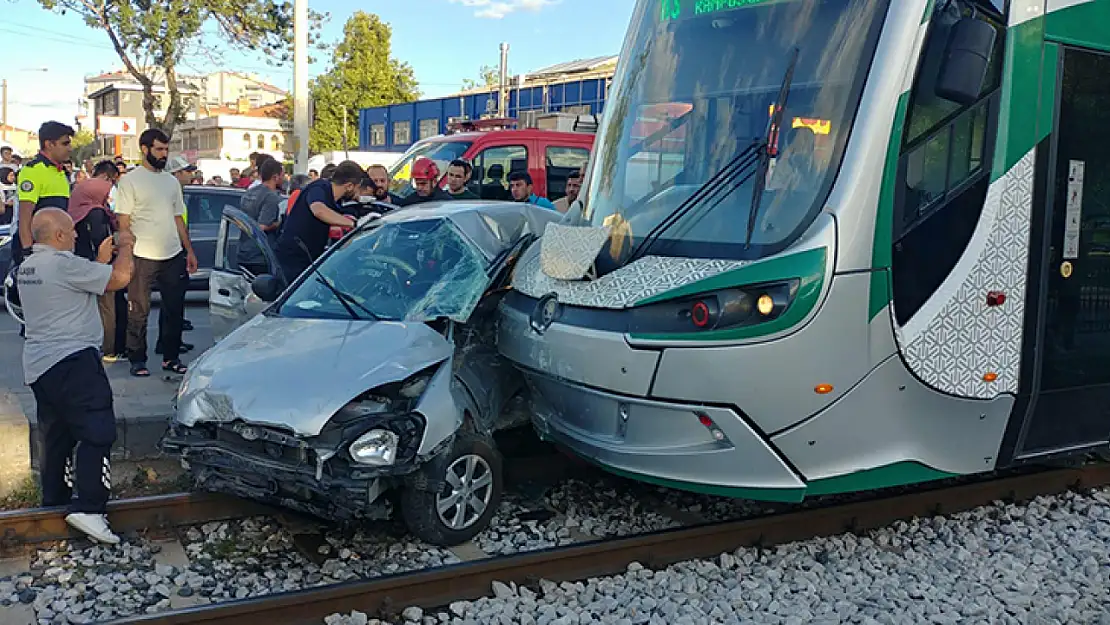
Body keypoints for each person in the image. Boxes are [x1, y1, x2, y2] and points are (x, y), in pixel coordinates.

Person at [19, 208, 135, 544]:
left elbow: (84, 281)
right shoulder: (64, 264)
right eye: (70, 231)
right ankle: (90, 507)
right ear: (57, 236)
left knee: (57, 436)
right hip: (74, 360)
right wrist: (125, 246)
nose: (74, 236)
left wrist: (99, 259)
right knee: (97, 430)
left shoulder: (28, 268)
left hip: (40, 365)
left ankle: (55, 500)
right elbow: (118, 279)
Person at [115, 129, 198, 378]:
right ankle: (137, 358)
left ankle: (171, 356)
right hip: (142, 254)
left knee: (174, 308)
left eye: (166, 149)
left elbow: (178, 218)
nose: (163, 154)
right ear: (145, 149)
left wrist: (189, 250)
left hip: (172, 253)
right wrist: (126, 254)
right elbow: (123, 221)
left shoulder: (171, 181)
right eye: (159, 149)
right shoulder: (130, 181)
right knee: (138, 310)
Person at [274, 160, 360, 282]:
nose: (358, 194)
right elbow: (319, 210)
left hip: (309, 260)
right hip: (291, 260)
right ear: (350, 186)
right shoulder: (319, 188)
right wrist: (355, 224)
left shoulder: (335, 201)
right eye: (358, 188)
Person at [12, 122, 75, 269]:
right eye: (65, 144)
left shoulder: (61, 172)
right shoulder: (32, 170)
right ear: (49, 144)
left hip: (57, 250)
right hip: (36, 250)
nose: (69, 149)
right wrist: (28, 251)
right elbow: (25, 216)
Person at [238, 157, 284, 276]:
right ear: (275, 177)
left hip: (243, 251)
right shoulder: (270, 197)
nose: (284, 178)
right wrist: (278, 224)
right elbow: (262, 227)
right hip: (260, 255)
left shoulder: (249, 192)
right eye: (282, 175)